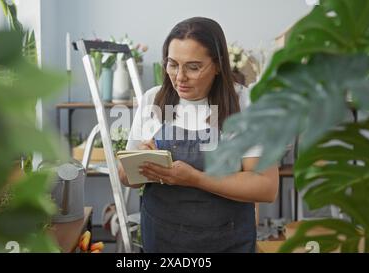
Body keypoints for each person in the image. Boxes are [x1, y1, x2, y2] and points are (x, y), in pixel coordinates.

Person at [118, 17, 279, 253]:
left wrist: (195, 178)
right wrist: (142, 162)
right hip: (162, 241)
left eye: (193, 67)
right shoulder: (153, 100)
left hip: (227, 242)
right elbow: (124, 177)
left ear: (217, 65)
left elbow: (265, 187)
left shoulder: (246, 105)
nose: (180, 77)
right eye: (172, 64)